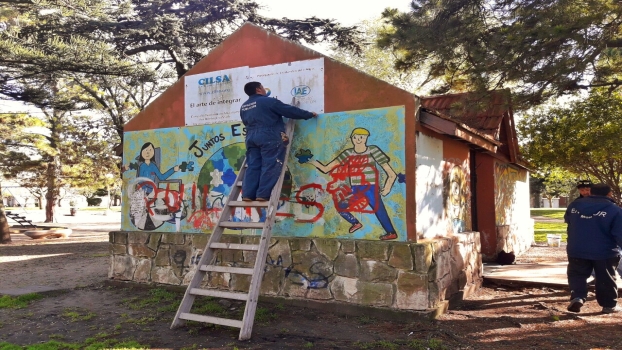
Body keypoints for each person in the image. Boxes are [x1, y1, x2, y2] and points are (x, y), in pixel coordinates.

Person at [307, 128, 399, 240]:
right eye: (355, 137)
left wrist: (387, 187)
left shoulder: (373, 150)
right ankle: (355, 223)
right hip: (356, 189)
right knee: (341, 206)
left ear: (366, 138)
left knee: (379, 209)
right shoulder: (348, 153)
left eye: (361, 137)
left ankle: (391, 232)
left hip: (370, 187)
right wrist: (313, 162)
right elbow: (326, 169)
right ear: (352, 139)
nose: (358, 140)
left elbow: (391, 173)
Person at [239, 81, 317, 201]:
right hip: (268, 135)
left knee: (253, 165)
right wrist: (308, 114)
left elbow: (245, 122)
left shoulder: (244, 106)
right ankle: (262, 194)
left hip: (251, 137)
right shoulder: (268, 101)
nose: (264, 90)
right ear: (258, 89)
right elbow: (289, 111)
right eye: (263, 87)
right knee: (270, 163)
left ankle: (248, 194)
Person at [565, 183, 622, 314]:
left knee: (577, 275)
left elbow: (569, 223)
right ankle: (608, 305)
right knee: (605, 278)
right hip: (604, 251)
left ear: (591, 192)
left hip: (576, 249)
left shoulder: (574, 206)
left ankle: (578, 297)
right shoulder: (614, 210)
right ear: (609, 194)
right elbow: (619, 233)